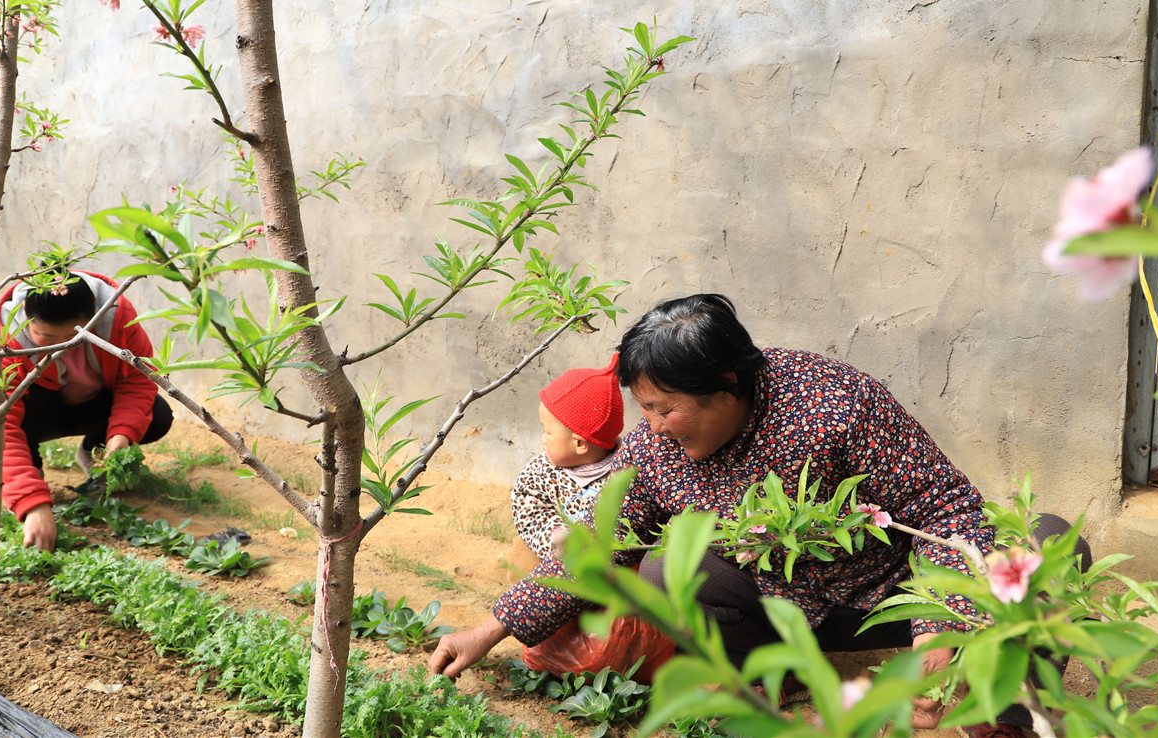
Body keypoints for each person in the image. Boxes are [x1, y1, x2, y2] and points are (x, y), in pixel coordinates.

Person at [430, 294, 1082, 738]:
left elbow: (943, 507)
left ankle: (1002, 712)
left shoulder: (836, 406)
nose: (650, 428)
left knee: (1046, 551)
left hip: (893, 587)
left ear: (731, 386)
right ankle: (770, 674)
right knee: (664, 573)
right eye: (644, 408)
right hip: (788, 607)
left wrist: (943, 628)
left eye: (664, 407)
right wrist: (488, 631)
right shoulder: (655, 452)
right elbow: (600, 548)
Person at [0, 271, 173, 552]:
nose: (64, 345)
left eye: (76, 335)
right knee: (5, 416)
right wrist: (31, 502)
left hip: (91, 404)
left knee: (157, 416)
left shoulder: (117, 318)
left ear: (93, 319)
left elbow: (137, 381)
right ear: (27, 320)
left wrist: (120, 436)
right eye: (47, 335)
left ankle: (95, 452)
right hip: (39, 413)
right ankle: (31, 478)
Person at [511, 353, 624, 563]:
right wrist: (556, 540)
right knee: (521, 555)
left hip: (606, 567)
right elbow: (528, 510)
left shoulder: (625, 474)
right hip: (553, 559)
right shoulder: (541, 471)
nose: (543, 439)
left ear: (580, 444)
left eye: (548, 432)